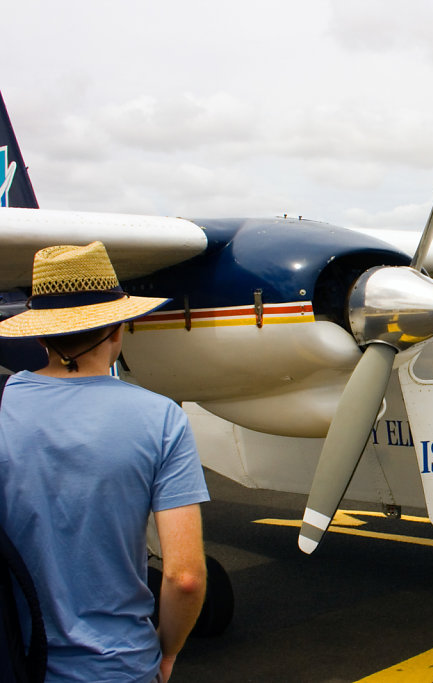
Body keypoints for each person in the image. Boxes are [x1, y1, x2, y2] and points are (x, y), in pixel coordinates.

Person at [0, 241, 209, 682]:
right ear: (117, 328)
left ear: (39, 333)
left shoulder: (2, 407)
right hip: (119, 666)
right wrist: (167, 652)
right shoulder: (162, 417)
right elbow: (185, 578)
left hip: (16, 660)